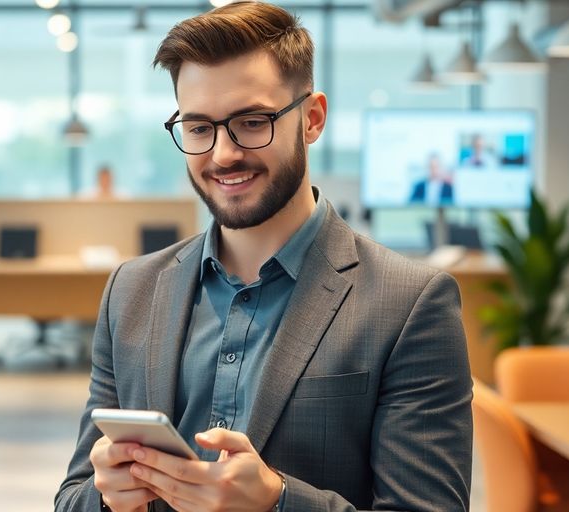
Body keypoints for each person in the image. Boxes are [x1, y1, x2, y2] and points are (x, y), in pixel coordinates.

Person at [56, 3, 472, 511]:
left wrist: (278, 502)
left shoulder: (410, 304)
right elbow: (72, 495)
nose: (223, 154)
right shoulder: (132, 290)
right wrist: (104, 499)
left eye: (252, 122)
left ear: (312, 118)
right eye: (199, 127)